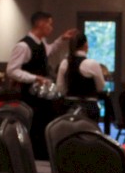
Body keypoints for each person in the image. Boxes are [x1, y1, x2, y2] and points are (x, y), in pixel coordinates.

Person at [7, 11, 76, 159]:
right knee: (34, 128)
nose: (51, 27)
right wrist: (34, 78)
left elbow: (48, 51)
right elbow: (12, 70)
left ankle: (42, 157)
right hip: (30, 97)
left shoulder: (42, 43)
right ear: (40, 24)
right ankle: (33, 160)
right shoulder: (23, 46)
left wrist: (61, 39)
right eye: (50, 24)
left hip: (41, 97)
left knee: (43, 127)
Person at [55, 34, 107, 120]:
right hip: (89, 108)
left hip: (69, 106)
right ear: (86, 45)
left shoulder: (64, 63)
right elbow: (100, 87)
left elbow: (60, 88)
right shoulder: (92, 64)